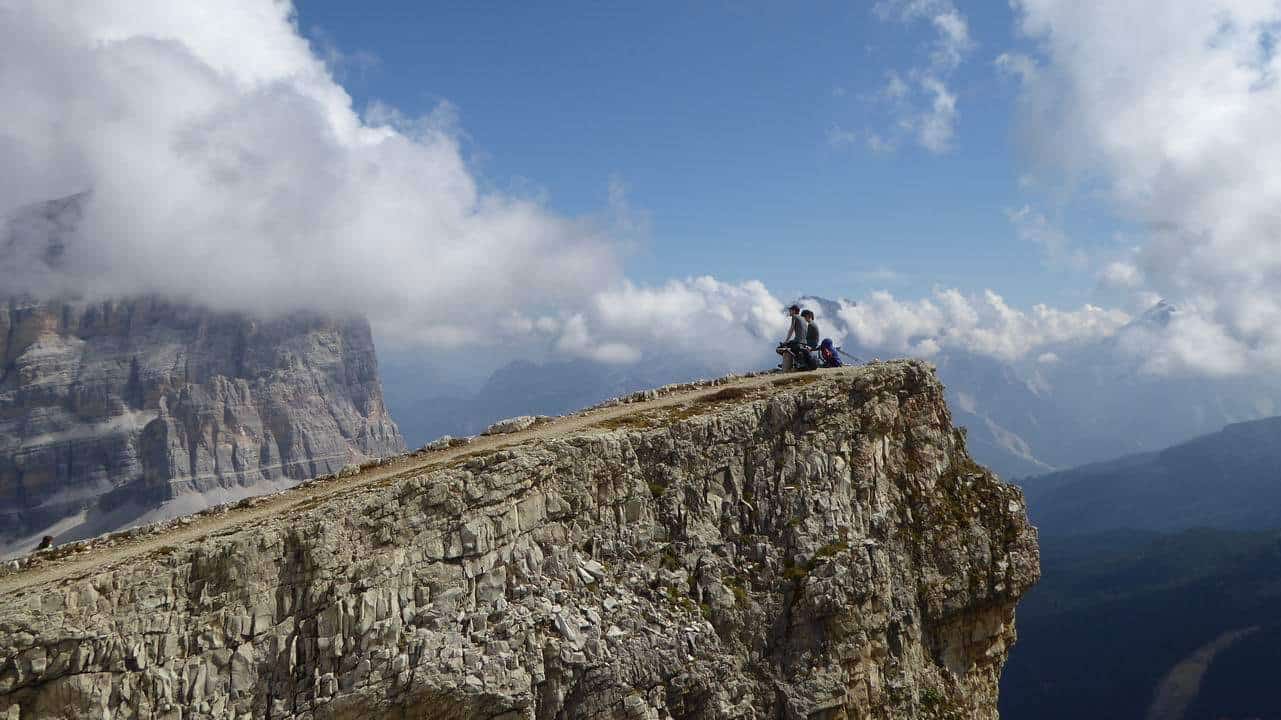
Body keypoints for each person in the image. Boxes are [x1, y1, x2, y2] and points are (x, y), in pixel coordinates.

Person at [776, 304, 807, 371]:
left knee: (779, 348)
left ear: (793, 311)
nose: (789, 311)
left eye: (790, 310)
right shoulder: (803, 318)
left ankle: (787, 363)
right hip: (805, 342)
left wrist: (786, 341)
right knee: (789, 347)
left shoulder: (794, 317)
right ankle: (794, 362)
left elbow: (791, 330)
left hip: (798, 342)